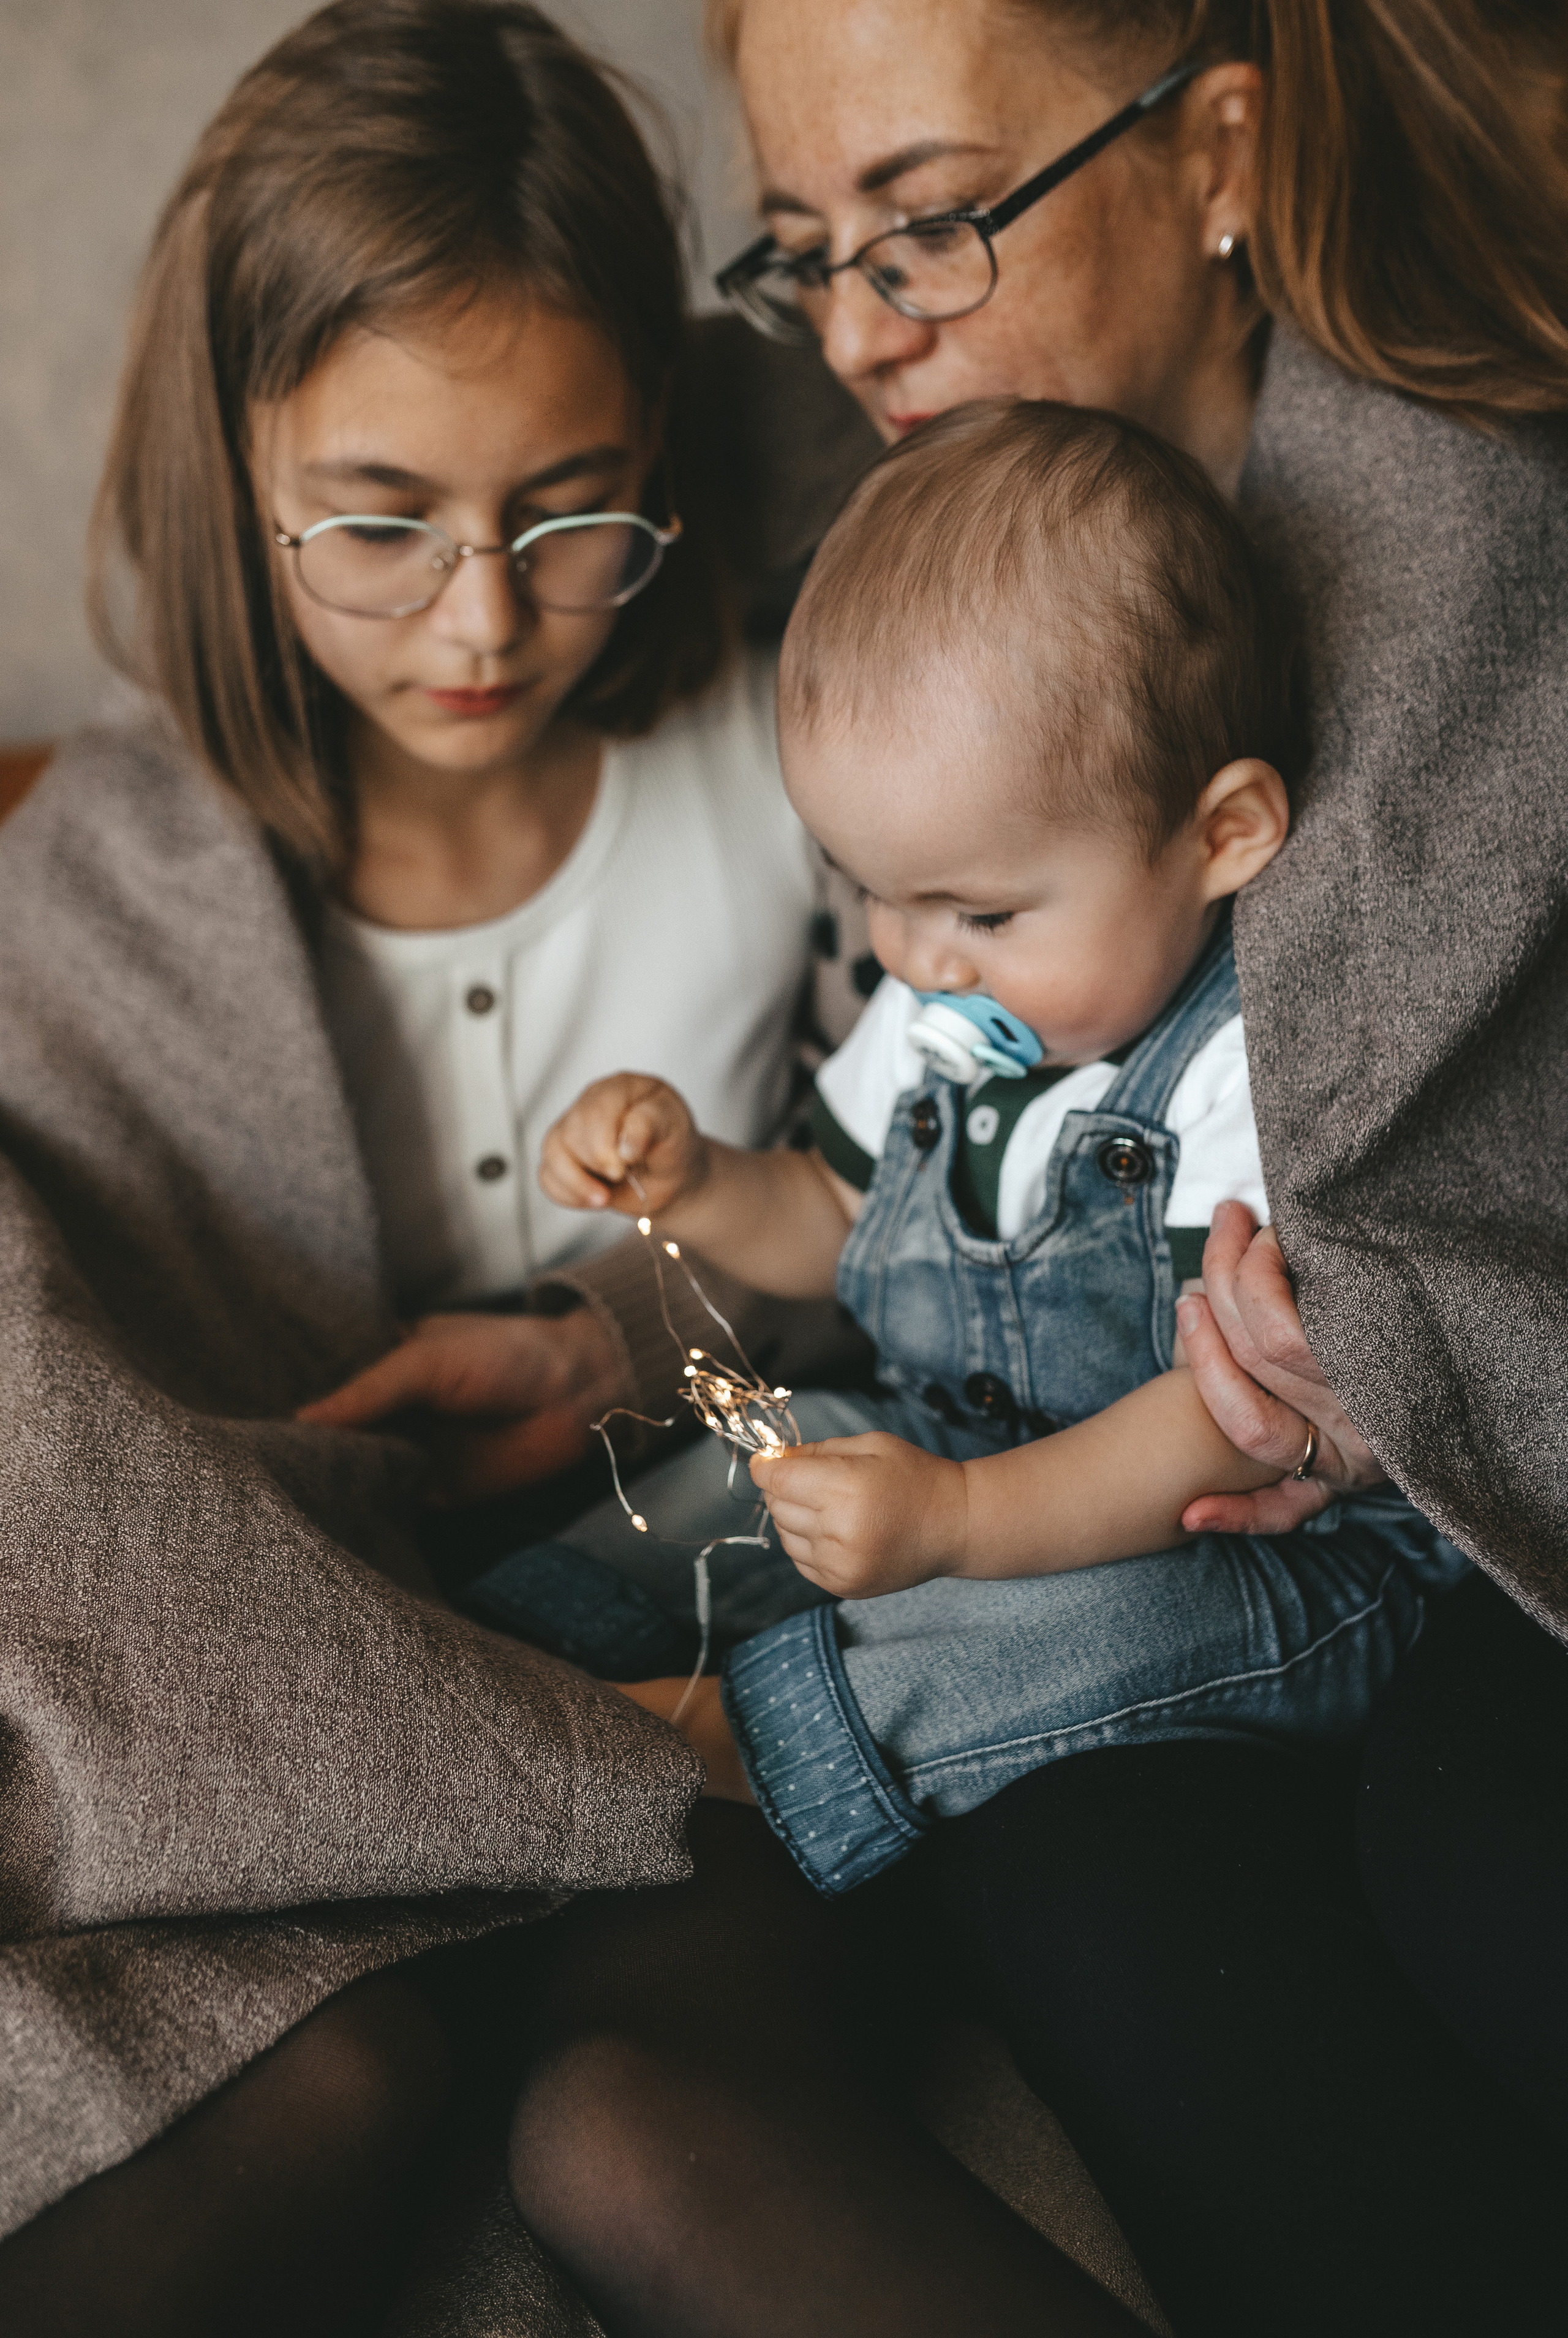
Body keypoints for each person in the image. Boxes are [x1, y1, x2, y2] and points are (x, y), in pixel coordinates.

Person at [0, 6, 1170, 2333]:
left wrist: (624, 1338)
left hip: (726, 1635)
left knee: (630, 2111)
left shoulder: (826, 733)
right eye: (379, 521)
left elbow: (942, 1220)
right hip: (295, 1716)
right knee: (315, 2080)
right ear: (234, 467)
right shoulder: (100, 893)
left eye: (572, 508)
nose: (480, 615)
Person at [689, 0, 1568, 2328]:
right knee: (1083, 1885)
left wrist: (1403, 1341)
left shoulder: (1488, 537)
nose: (863, 334)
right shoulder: (887, 579)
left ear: (1220, 160)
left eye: (934, 227)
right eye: (804, 254)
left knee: (1493, 1840)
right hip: (1119, 1490)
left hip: (1462, 1513)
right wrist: (615, 1289)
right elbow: (874, 1147)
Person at [521, 396, 1468, 1891]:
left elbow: (1224, 1416)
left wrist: (958, 1521)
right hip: (962, 1454)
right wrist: (700, 1180)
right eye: (875, 893)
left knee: (1055, 1634)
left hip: (1251, 1558)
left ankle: (717, 1750)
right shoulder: (941, 998)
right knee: (766, 1454)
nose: (916, 957)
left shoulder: (1246, 1070)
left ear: (1219, 833)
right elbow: (834, 1215)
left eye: (981, 911)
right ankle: (514, 1644)